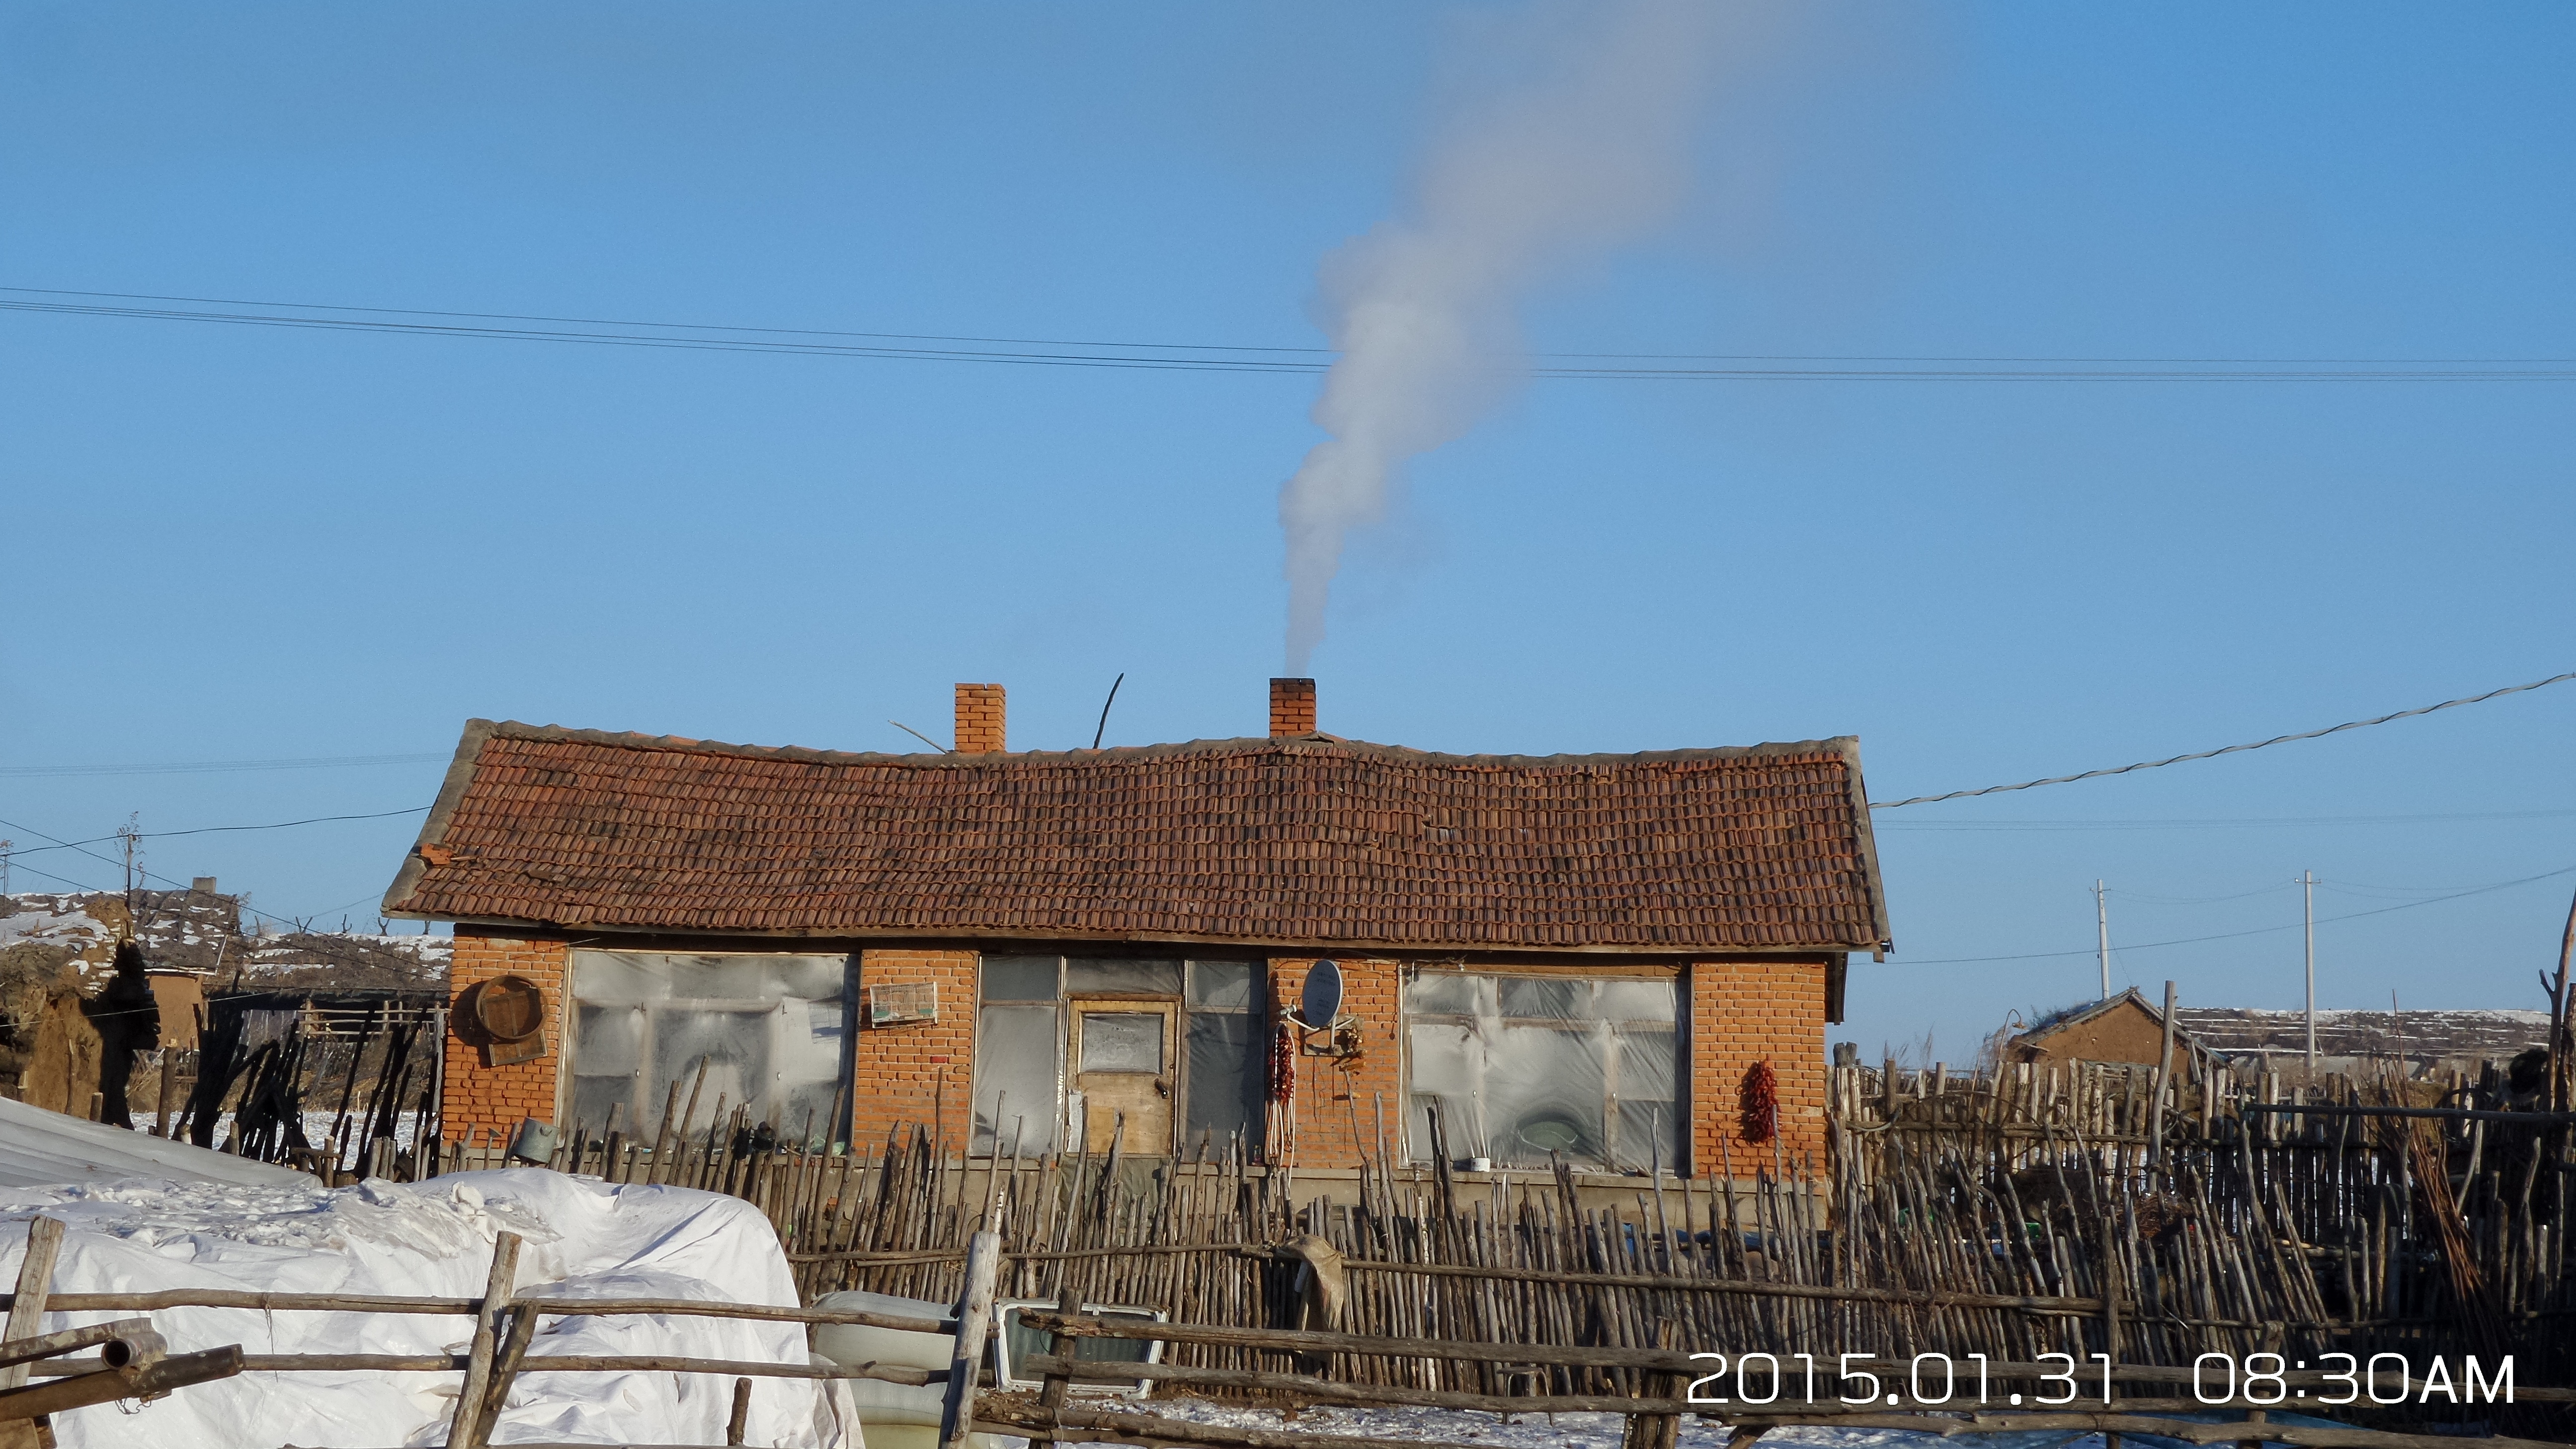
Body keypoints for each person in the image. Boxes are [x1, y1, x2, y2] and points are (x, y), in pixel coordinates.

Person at [87, 940, 161, 1130]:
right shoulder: (129, 987)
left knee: (115, 1082)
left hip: (120, 1042)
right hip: (119, 1042)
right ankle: (116, 1118)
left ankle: (115, 1117)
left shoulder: (127, 988)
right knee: (115, 1082)